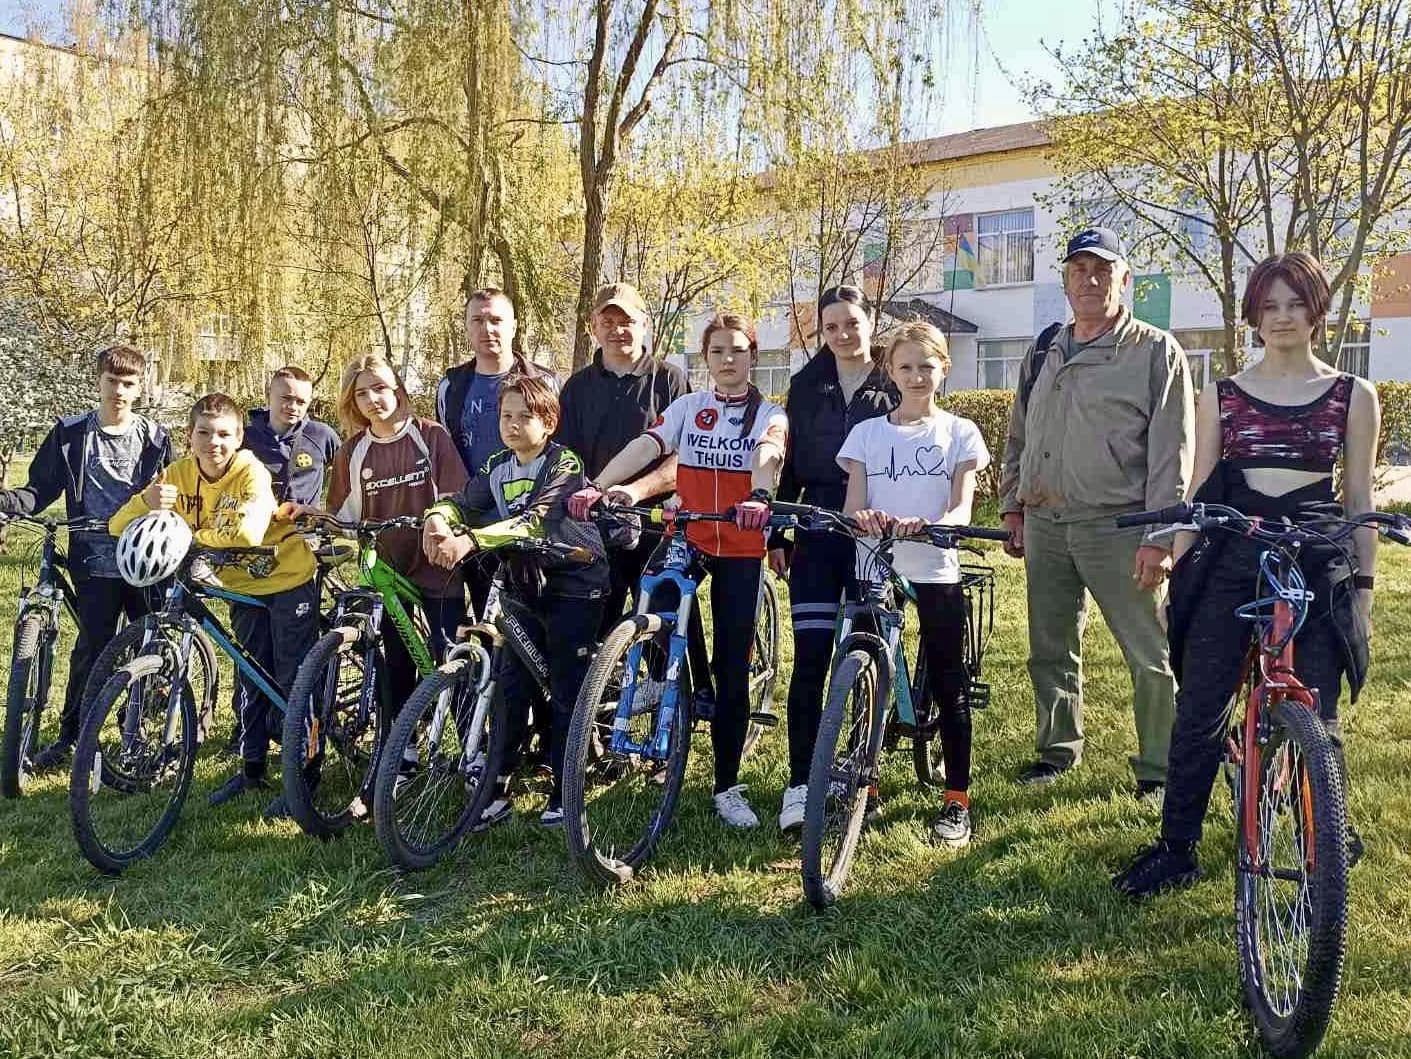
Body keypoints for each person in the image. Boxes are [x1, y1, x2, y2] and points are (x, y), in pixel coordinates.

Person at [1113, 252, 1379, 897]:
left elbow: (1361, 501)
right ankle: (1177, 848)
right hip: (1233, 552)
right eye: (1270, 306)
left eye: (1295, 304)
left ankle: (1325, 826)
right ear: (1254, 315)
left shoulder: (1353, 394)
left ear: (1316, 312)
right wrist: (1176, 556)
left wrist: (1363, 592)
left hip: (1314, 554)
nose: (1282, 317)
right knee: (1201, 706)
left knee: (1318, 706)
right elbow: (1200, 490)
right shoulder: (1223, 394)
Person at [569, 312, 787, 829]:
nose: (728, 361)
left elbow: (769, 452)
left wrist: (759, 493)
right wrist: (598, 484)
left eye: (737, 351)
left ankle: (727, 787)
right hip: (687, 532)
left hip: (739, 541)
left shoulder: (768, 412)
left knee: (735, 665)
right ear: (705, 359)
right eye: (717, 352)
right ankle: (693, 687)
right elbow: (649, 445)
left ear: (753, 356)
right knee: (657, 611)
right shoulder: (689, 405)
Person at [998, 226, 1195, 798]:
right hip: (1046, 526)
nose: (1089, 279)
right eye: (1079, 269)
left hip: (1120, 529)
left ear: (1125, 280)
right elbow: (1019, 434)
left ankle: (1159, 769)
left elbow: (1172, 453)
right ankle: (1058, 751)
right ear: (1064, 280)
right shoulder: (1043, 350)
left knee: (1150, 653)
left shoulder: (1156, 352)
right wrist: (1014, 504)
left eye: (1102, 270)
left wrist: (1159, 537)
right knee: (1050, 647)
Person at [109, 393, 318, 814]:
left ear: (239, 438)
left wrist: (187, 538)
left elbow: (247, 534)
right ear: (189, 437)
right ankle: (251, 769)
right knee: (249, 674)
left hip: (287, 576)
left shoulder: (250, 472)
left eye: (224, 434)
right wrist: (148, 504)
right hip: (242, 586)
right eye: (203, 433)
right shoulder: (177, 474)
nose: (213, 442)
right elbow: (118, 524)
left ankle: (305, 777)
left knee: (293, 676)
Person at [422, 374, 610, 828]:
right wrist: (437, 519)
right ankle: (497, 784)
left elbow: (534, 522)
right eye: (506, 416)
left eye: (525, 416)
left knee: (566, 686)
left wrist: (470, 541)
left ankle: (567, 788)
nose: (512, 424)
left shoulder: (563, 463)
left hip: (577, 579)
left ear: (548, 422)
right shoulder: (497, 464)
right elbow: (462, 501)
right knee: (511, 685)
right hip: (526, 581)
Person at [837, 322, 990, 847]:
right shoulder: (867, 435)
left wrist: (937, 523)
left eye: (927, 365)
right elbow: (852, 504)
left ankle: (957, 797)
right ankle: (866, 777)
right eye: (906, 366)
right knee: (867, 673)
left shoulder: (960, 431)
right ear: (891, 371)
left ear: (944, 368)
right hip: (876, 563)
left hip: (933, 567)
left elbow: (962, 501)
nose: (917, 375)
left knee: (950, 682)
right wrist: (868, 517)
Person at [0, 344, 171, 771]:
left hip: (143, 554)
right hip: (93, 557)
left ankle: (143, 728)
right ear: (97, 382)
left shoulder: (154, 438)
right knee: (93, 645)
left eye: (128, 383)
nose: (119, 391)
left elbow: (174, 494)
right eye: (112, 381)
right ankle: (71, 735)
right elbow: (41, 488)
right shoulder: (71, 433)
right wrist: (8, 503)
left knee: (149, 640)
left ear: (140, 388)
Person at [769, 285, 897, 832]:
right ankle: (800, 783)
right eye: (832, 327)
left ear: (869, 322)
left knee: (870, 651)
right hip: (817, 527)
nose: (844, 335)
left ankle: (860, 770)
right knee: (813, 657)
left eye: (852, 323)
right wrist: (780, 530)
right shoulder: (804, 385)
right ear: (822, 333)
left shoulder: (894, 380)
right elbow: (791, 464)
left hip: (876, 527)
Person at [323, 354, 470, 721]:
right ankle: (403, 746)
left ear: (397, 388)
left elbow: (455, 496)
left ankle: (473, 742)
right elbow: (341, 517)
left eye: (379, 388)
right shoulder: (352, 451)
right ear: (352, 402)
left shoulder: (430, 435)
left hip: (437, 565)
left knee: (451, 652)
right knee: (397, 657)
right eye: (361, 394)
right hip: (388, 571)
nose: (372, 399)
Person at [554, 283, 688, 633]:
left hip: (658, 526)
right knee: (597, 633)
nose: (617, 330)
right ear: (594, 327)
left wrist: (636, 491)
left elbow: (682, 460)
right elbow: (565, 460)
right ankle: (608, 688)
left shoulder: (670, 380)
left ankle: (679, 688)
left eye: (626, 320)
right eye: (608, 320)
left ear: (644, 323)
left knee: (667, 629)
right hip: (597, 529)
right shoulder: (577, 387)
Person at [435, 289, 558, 616]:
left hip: (532, 529)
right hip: (476, 529)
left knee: (534, 629)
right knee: (488, 626)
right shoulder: (451, 387)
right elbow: (449, 452)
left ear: (514, 326)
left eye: (496, 320)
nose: (487, 329)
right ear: (466, 327)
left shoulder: (544, 381)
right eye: (477, 320)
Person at [243, 366, 340, 507]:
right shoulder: (245, 438)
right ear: (268, 394)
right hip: (260, 526)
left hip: (306, 526)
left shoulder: (322, 436)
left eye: (301, 402)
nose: (293, 407)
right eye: (286, 398)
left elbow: (348, 473)